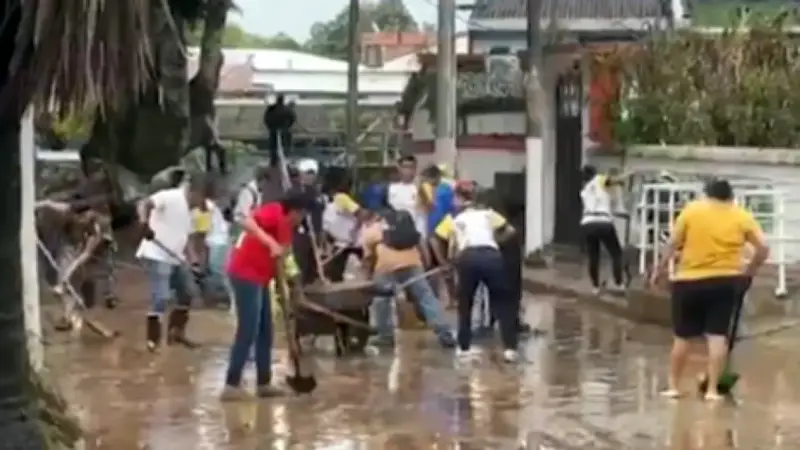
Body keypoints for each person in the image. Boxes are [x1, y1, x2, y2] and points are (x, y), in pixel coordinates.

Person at [649, 179, 769, 401]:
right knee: (717, 336)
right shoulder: (741, 215)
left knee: (682, 336)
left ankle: (674, 387)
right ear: (730, 197)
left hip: (689, 281)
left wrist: (659, 270)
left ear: (708, 194)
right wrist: (749, 271)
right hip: (726, 281)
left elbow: (673, 243)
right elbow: (763, 248)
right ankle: (713, 390)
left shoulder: (692, 211)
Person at [221, 189, 311, 401]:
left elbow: (285, 255)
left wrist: (292, 283)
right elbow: (246, 221)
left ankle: (264, 382)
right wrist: (269, 243)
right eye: (303, 214)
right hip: (244, 273)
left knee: (266, 330)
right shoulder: (274, 211)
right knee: (248, 329)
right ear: (296, 211)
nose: (303, 219)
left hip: (262, 276)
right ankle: (231, 385)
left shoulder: (288, 227)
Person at [432, 180, 519, 363]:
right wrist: (495, 242)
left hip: (467, 257)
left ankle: (464, 348)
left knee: (465, 304)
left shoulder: (453, 219)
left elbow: (435, 238)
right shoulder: (489, 215)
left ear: (458, 198)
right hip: (492, 257)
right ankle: (510, 349)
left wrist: (444, 262)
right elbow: (510, 231)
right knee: (503, 303)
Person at [362, 208, 456, 349]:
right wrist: (426, 264)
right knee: (426, 297)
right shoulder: (408, 228)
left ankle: (385, 335)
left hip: (386, 267)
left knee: (382, 300)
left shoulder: (372, 231)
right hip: (412, 265)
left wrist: (368, 277)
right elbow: (422, 245)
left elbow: (368, 259)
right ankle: (444, 333)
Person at [136, 173, 208, 351]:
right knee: (161, 297)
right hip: (156, 253)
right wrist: (144, 223)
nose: (202, 205)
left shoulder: (190, 210)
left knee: (188, 293)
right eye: (202, 198)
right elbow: (144, 204)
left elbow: (187, 238)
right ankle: (152, 341)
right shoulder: (171, 196)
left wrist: (194, 260)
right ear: (193, 191)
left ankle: (176, 334)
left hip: (176, 257)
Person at [580, 165, 626, 294]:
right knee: (616, 253)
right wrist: (625, 177)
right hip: (603, 222)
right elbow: (611, 181)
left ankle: (595, 287)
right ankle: (619, 284)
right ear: (594, 173)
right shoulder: (599, 179)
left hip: (587, 223)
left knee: (593, 256)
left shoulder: (584, 190)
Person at [322, 175, 365, 282]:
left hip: (351, 239)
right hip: (342, 240)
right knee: (336, 270)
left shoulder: (341, 198)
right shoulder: (333, 200)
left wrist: (354, 231)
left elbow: (359, 213)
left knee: (365, 262)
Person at [293, 158, 327, 284]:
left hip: (315, 232)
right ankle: (298, 289)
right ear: (301, 173)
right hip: (301, 234)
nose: (310, 176)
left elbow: (319, 214)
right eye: (307, 173)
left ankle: (310, 286)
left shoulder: (316, 193)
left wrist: (321, 233)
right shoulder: (296, 191)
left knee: (314, 263)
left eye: (312, 173)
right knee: (300, 263)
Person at [263, 94, 296, 167]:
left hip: (274, 129)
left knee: (273, 146)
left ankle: (274, 161)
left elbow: (266, 118)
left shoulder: (271, 108)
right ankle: (285, 158)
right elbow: (292, 118)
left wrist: (270, 127)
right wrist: (288, 126)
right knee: (285, 145)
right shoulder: (287, 109)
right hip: (284, 129)